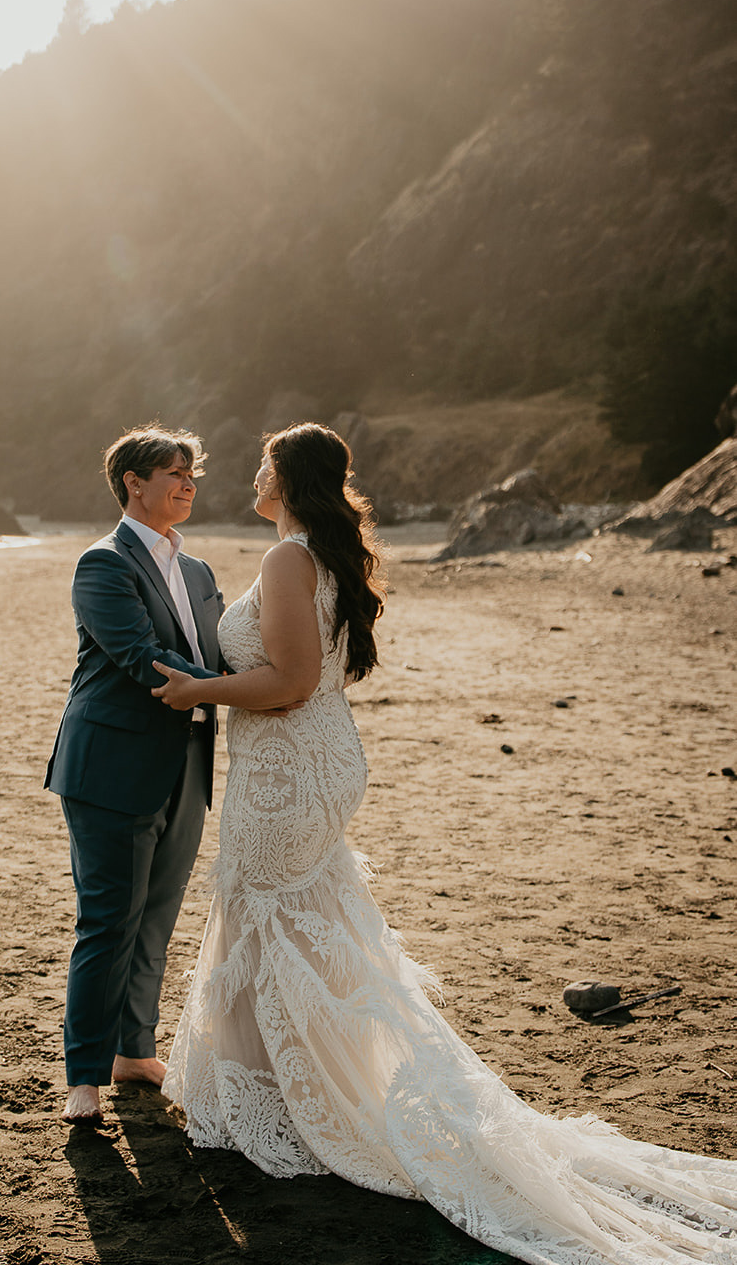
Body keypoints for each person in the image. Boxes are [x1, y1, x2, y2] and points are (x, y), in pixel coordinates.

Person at [152, 423, 737, 1265]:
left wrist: (196, 691)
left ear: (287, 477)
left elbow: (291, 681)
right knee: (294, 921)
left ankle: (284, 1104)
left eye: (263, 465)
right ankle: (278, 1090)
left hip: (286, 769)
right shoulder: (322, 556)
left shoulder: (288, 558)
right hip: (313, 761)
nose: (251, 475)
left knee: (266, 916)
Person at [44, 425, 226, 1125]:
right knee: (107, 922)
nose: (187, 483)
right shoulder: (102, 563)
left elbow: (219, 655)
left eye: (191, 473)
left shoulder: (199, 571)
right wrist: (240, 692)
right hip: (111, 768)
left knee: (156, 917)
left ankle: (132, 1051)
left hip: (188, 763)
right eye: (174, 472)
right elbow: (138, 655)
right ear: (133, 482)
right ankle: (84, 1077)